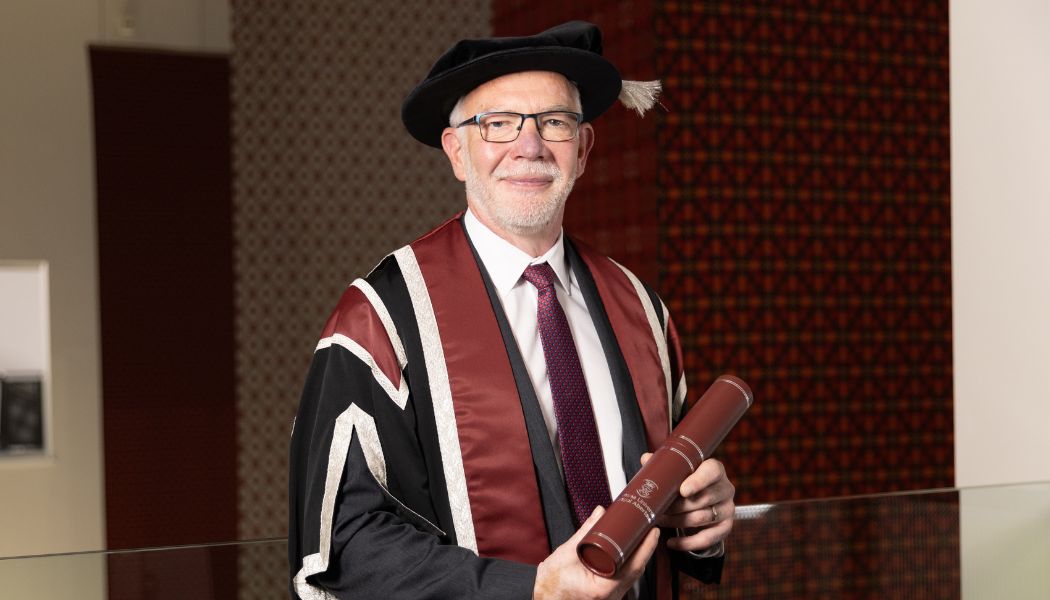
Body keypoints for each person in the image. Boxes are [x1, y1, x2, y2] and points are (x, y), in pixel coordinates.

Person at [288, 21, 736, 600]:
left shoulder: (640, 310)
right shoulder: (382, 318)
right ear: (456, 151)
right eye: (497, 125)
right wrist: (528, 591)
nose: (530, 146)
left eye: (555, 122)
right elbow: (344, 547)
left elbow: (670, 502)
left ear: (582, 150)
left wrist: (704, 524)